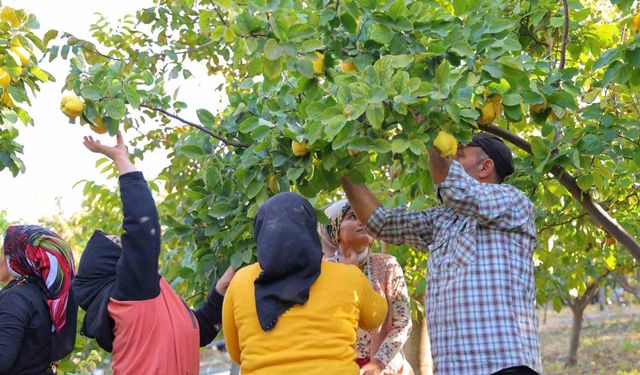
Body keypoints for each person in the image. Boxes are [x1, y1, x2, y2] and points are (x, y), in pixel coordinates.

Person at [341, 133, 541, 375]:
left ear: (485, 167)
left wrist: (425, 125)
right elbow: (382, 223)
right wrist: (344, 165)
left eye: (458, 154)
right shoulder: (442, 219)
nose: (447, 158)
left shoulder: (513, 201)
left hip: (503, 364)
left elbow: (455, 189)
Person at [72, 132, 235, 374]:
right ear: (107, 263)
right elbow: (141, 226)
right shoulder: (127, 294)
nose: (125, 245)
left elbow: (198, 332)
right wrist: (121, 160)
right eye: (117, 242)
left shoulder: (151, 298)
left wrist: (221, 288)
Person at [222, 192, 388, 375]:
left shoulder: (240, 282)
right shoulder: (348, 276)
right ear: (309, 231)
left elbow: (237, 353)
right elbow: (375, 317)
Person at [320, 199, 413, 375]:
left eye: (364, 216)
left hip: (387, 369)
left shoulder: (387, 266)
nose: (362, 221)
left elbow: (403, 322)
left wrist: (378, 363)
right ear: (335, 228)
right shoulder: (322, 271)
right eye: (353, 216)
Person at [0, 225, 78, 374]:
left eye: (7, 253)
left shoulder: (17, 298)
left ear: (21, 256)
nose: (4, 259)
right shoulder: (52, 300)